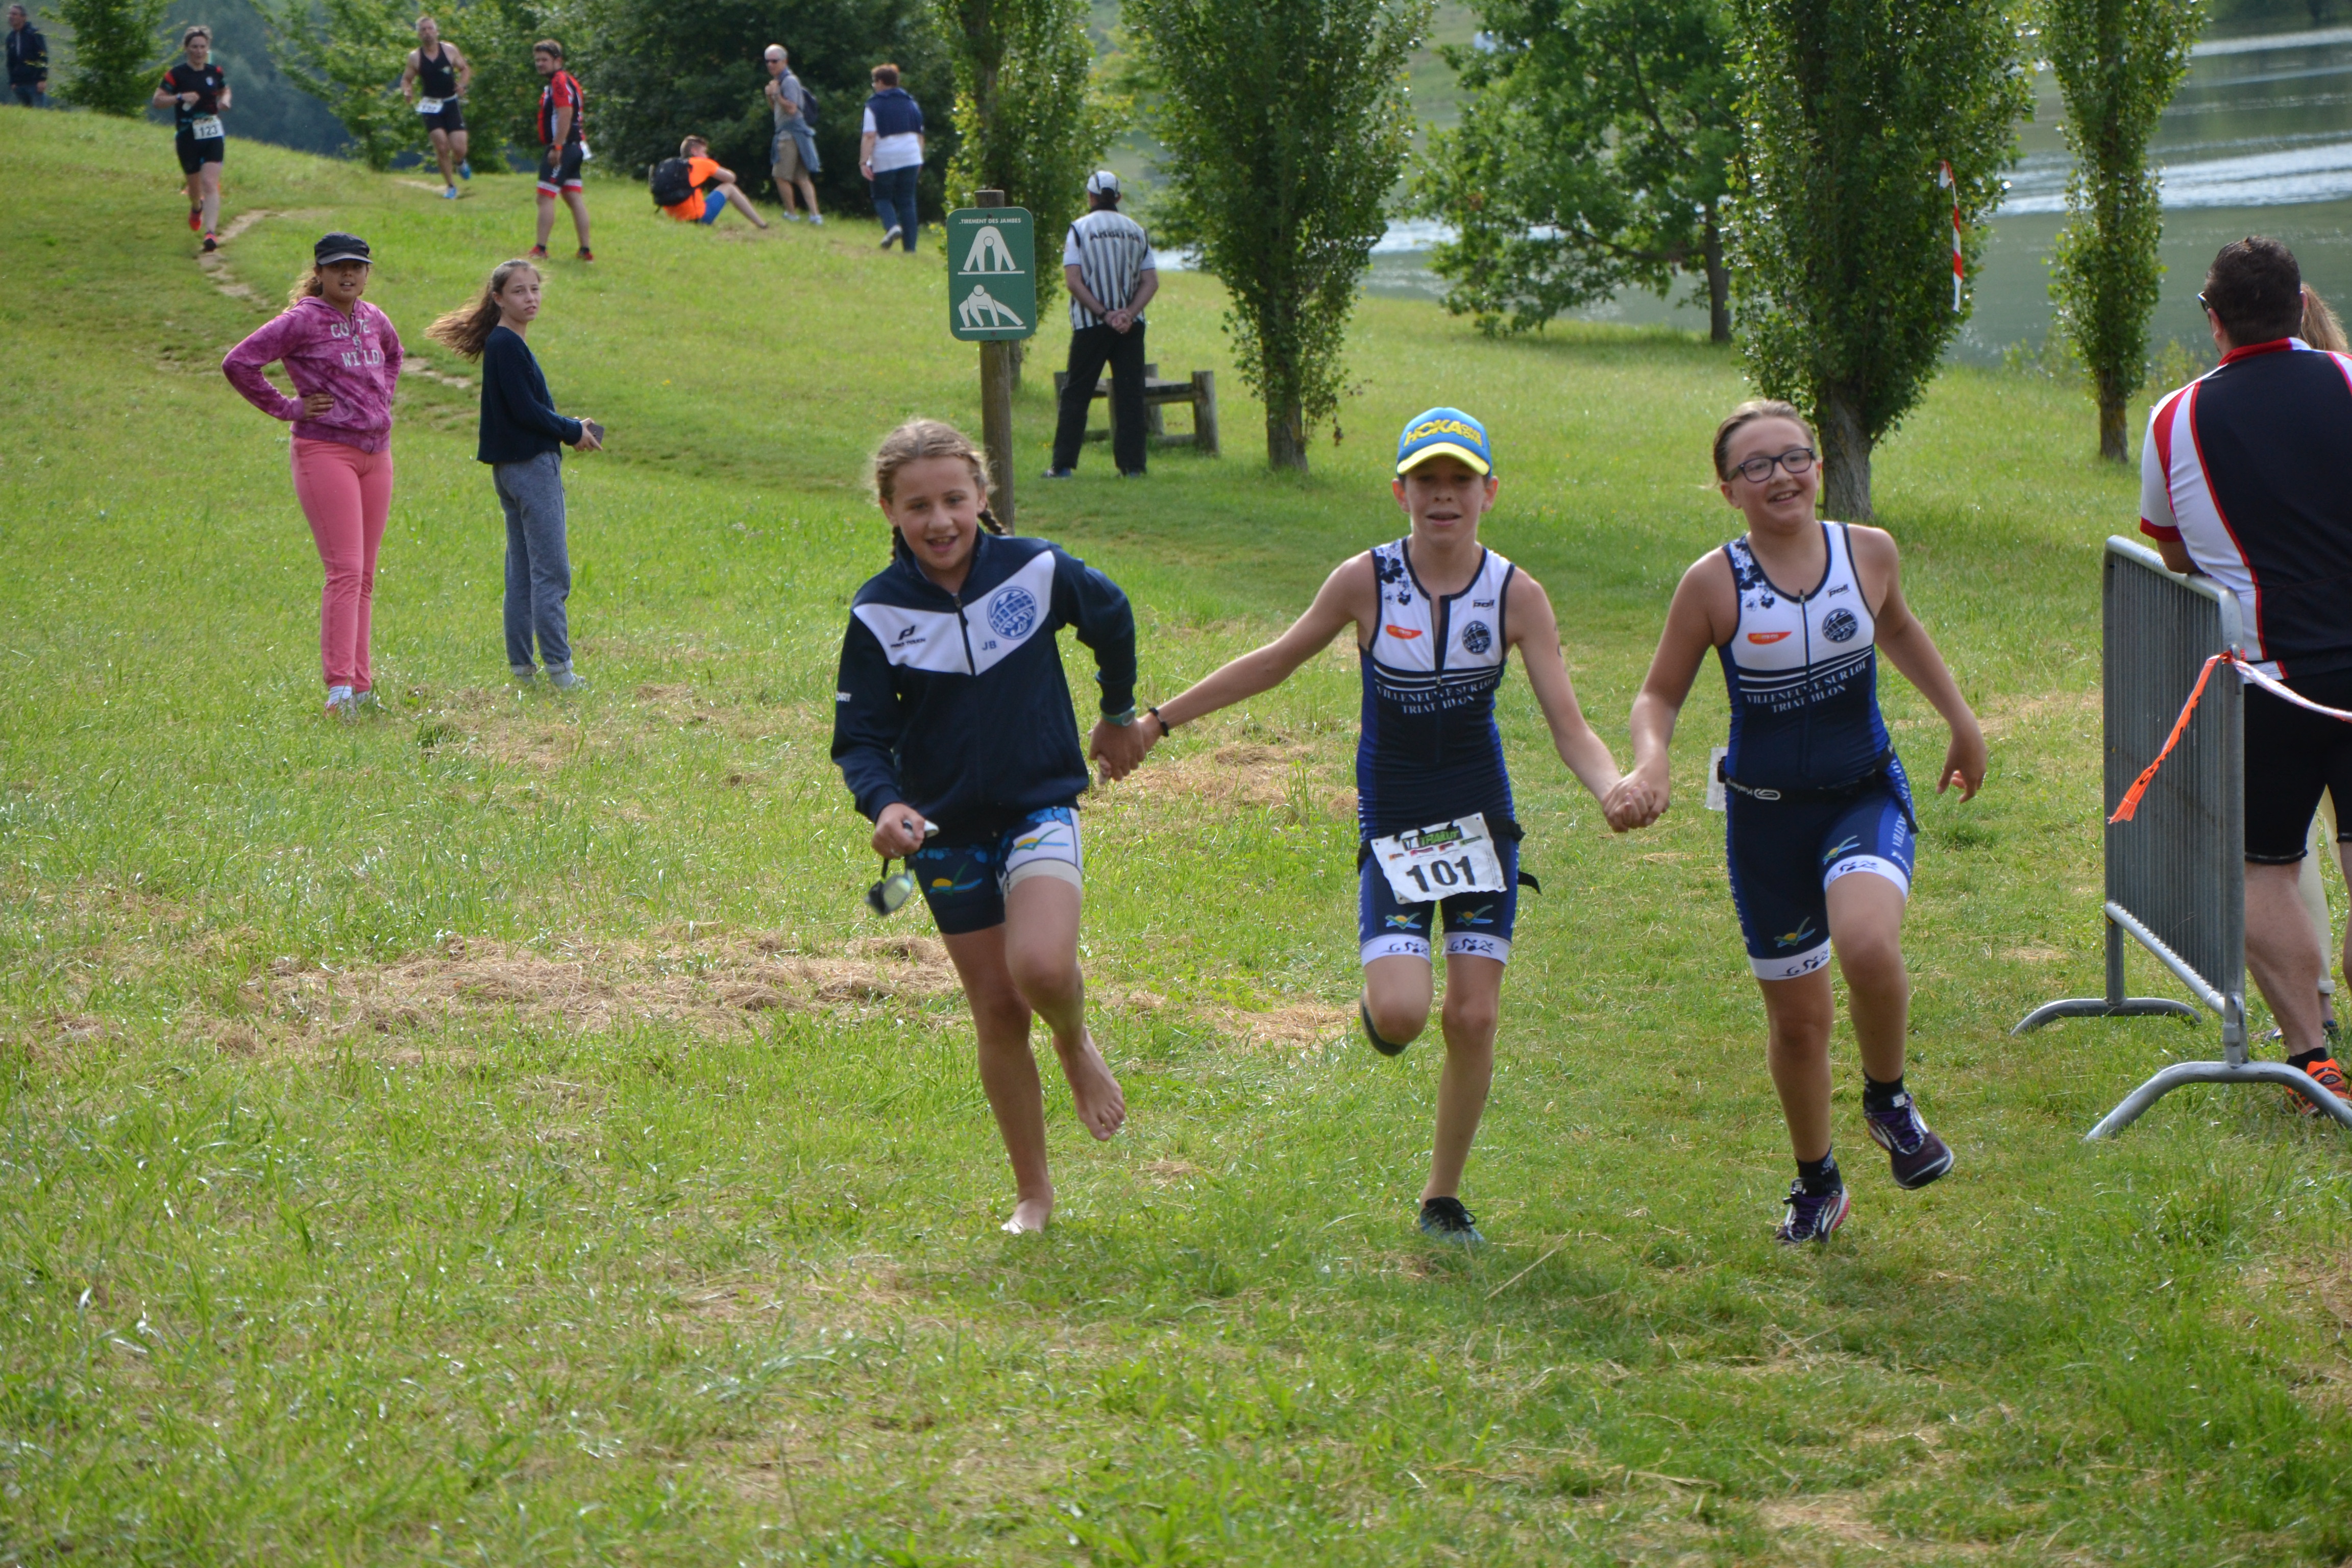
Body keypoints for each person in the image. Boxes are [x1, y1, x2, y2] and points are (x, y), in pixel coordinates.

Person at [1100, 409, 1628, 1247]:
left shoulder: (1517, 594)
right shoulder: (1365, 580)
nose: (1443, 496)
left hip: (1481, 824)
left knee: (1472, 1018)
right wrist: (1159, 722)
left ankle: (1442, 1198)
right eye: (1427, 481)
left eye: (1460, 482)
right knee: (1404, 1015)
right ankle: (1384, 1007)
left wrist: (1611, 787)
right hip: (1396, 828)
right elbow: (1274, 660)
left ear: (1489, 493)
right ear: (1399, 492)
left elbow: (1569, 725)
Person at [1605, 400, 1986, 1245]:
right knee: (1799, 1022)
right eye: (1756, 465)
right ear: (1727, 490)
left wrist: (1961, 721)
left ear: (1816, 466)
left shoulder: (1867, 552)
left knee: (1868, 944)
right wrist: (1650, 761)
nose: (1780, 475)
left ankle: (1887, 1098)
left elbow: (1897, 627)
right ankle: (1818, 1182)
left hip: (1862, 794)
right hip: (1765, 823)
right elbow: (1657, 693)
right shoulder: (1712, 583)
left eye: (1794, 457)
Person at [832, 419, 1137, 1234]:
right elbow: (860, 739)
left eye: (954, 500)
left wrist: (1117, 713)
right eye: (918, 506)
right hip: (946, 837)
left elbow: (1111, 616)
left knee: (1041, 966)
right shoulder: (878, 611)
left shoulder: (1036, 569)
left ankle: (1073, 1040)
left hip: (1040, 808)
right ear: (890, 511)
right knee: (999, 1010)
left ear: (981, 496)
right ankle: (1033, 1195)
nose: (939, 521)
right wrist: (884, 805)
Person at [2141, 237, 2352, 1111]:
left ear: (2212, 317)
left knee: (2261, 869)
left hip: (2269, 680)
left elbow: (2172, 550)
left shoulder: (2174, 418)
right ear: (2300, 302)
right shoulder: (2347, 381)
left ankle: (2311, 1061)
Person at [221, 233, 404, 719]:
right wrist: (288, 407)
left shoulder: (374, 318)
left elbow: (394, 354)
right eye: (338, 267)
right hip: (325, 451)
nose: (348, 275)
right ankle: (338, 691)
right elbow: (239, 363)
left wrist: (380, 397)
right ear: (319, 273)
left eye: (357, 267)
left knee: (365, 575)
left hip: (377, 455)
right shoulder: (302, 320)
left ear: (367, 273)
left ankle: (362, 688)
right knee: (345, 571)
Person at [425, 259, 602, 689]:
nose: (530, 298)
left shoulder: (505, 343)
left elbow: (525, 409)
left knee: (523, 573)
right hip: (531, 468)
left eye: (535, 289)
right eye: (519, 291)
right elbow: (525, 411)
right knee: (551, 572)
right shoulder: (506, 344)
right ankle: (560, 670)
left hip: (512, 470)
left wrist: (568, 427)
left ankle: (523, 670)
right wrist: (570, 431)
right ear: (498, 298)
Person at [1044, 172, 1159, 481]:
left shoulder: (1079, 229)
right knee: (1130, 396)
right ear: (1118, 197)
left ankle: (1063, 466)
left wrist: (1105, 313)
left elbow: (1073, 281)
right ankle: (1133, 467)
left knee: (1076, 394)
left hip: (1090, 324)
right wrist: (1128, 313)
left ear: (1090, 196)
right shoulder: (1137, 231)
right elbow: (1151, 282)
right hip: (1131, 327)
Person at [154, 27, 229, 253]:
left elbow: (225, 89)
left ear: (208, 49)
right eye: (194, 47)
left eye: (203, 47)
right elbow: (158, 101)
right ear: (186, 48)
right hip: (187, 135)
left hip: (213, 133)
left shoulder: (215, 71)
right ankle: (197, 207)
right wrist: (179, 97)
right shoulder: (176, 74)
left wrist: (225, 100)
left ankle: (211, 233)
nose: (199, 51)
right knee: (195, 188)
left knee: (210, 182)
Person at [529, 40, 591, 262]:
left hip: (564, 148)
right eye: (537, 60)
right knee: (573, 197)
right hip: (575, 146)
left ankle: (540, 249)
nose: (540, 64)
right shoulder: (565, 81)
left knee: (544, 197)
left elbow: (565, 113)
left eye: (545, 60)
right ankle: (585, 250)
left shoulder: (559, 81)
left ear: (558, 61)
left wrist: (557, 146)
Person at [400, 15, 472, 200]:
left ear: (437, 31)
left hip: (451, 102)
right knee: (441, 146)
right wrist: (407, 91)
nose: (427, 33)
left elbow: (465, 69)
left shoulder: (449, 50)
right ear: (419, 35)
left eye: (430, 29)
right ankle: (451, 186)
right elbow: (407, 79)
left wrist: (462, 85)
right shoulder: (415, 57)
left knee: (459, 147)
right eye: (423, 30)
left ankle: (460, 162)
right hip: (431, 106)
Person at [859, 63, 923, 252]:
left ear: (880, 82)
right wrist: (920, 158)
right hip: (911, 156)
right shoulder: (911, 103)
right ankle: (910, 249)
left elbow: (870, 136)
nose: (874, 86)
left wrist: (863, 162)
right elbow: (920, 135)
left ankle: (892, 226)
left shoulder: (874, 105)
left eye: (874, 82)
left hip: (885, 157)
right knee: (907, 201)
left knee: (882, 197)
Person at [653, 136, 770, 229]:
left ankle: (761, 224)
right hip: (698, 219)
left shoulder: (675, 167)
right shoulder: (702, 163)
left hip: (675, 218)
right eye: (704, 152)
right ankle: (761, 224)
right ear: (694, 151)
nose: (707, 156)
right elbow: (731, 178)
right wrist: (710, 170)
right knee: (729, 188)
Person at [763, 44, 822, 224]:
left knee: (780, 176)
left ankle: (792, 214)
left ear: (785, 61)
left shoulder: (789, 81)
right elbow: (776, 109)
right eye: (768, 61)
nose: (771, 65)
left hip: (790, 134)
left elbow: (791, 108)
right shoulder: (779, 82)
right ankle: (815, 216)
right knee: (801, 177)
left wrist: (777, 94)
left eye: (775, 61)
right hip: (794, 133)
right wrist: (770, 96)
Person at [7, 5, 48, 109]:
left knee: (39, 114)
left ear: (24, 17)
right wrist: (13, 82)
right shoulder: (11, 38)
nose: (11, 17)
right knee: (26, 114)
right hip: (19, 84)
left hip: (34, 83)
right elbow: (11, 62)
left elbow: (43, 56)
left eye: (15, 14)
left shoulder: (33, 34)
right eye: (10, 14)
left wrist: (42, 79)